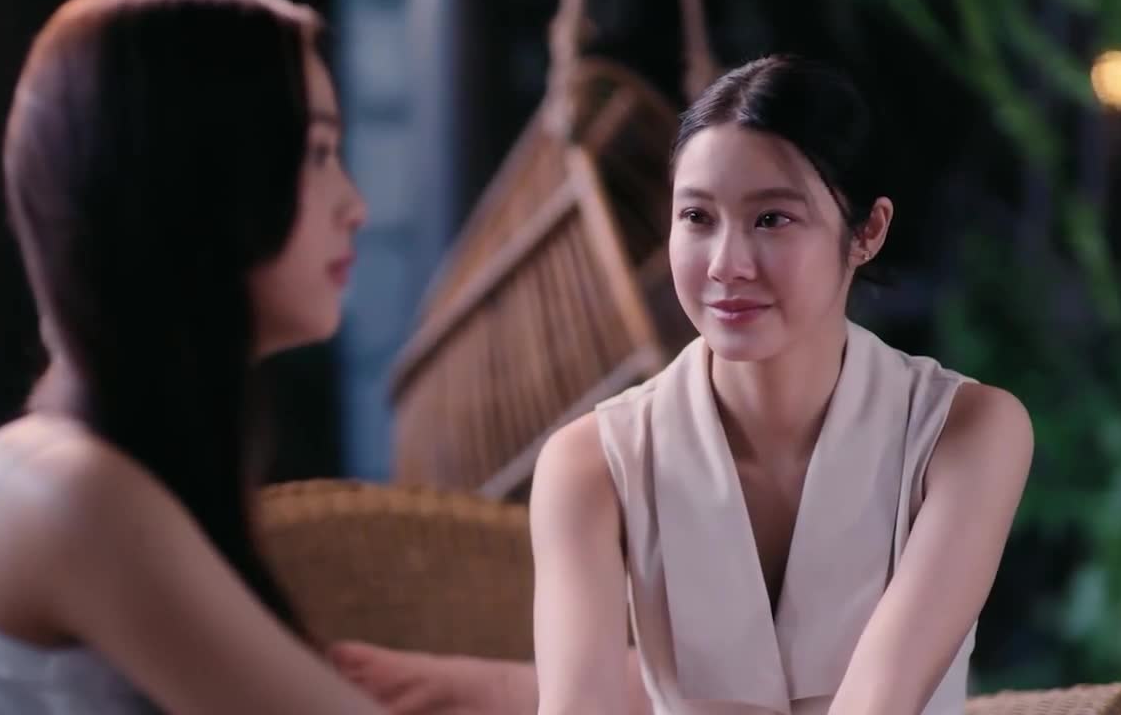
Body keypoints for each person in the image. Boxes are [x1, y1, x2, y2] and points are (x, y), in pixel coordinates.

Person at [333, 55, 1033, 715]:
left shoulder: (966, 432)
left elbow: (880, 699)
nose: (727, 264)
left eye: (772, 219)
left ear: (867, 232)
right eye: (697, 217)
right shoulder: (592, 464)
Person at [0, 0, 385, 712]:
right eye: (317, 154)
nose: (355, 206)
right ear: (197, 176)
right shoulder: (77, 495)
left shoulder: (93, 469)